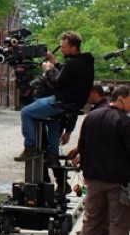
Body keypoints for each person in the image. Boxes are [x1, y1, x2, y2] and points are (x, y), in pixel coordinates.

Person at [74, 86, 130, 235]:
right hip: (118, 182)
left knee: (91, 219)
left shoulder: (91, 117)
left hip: (94, 179)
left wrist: (86, 172)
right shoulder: (124, 121)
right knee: (119, 222)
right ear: (122, 99)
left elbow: (82, 146)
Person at [15, 31, 94, 162]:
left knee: (26, 113)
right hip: (73, 102)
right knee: (53, 118)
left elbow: (56, 83)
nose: (61, 50)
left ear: (73, 48)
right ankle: (52, 154)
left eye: (64, 47)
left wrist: (48, 70)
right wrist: (55, 63)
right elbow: (67, 75)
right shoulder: (84, 63)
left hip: (61, 101)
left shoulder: (73, 63)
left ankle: (30, 148)